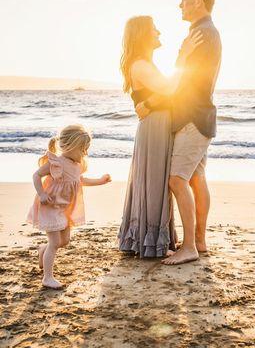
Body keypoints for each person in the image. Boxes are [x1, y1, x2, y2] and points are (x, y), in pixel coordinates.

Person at [136, 0, 222, 265]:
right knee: (196, 178)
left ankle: (190, 247)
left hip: (192, 117)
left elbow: (183, 80)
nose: (180, 3)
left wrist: (150, 102)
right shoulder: (204, 31)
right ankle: (198, 240)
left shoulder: (202, 34)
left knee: (177, 180)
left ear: (198, 0)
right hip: (199, 115)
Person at [118, 15, 202, 258]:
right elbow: (169, 88)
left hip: (158, 124)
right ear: (143, 34)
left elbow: (167, 92)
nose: (159, 33)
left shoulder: (145, 64)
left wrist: (151, 102)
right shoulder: (140, 65)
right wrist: (184, 57)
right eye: (154, 29)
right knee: (155, 180)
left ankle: (154, 238)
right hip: (154, 128)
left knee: (158, 180)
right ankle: (149, 240)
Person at [27, 124, 111, 289]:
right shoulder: (56, 162)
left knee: (64, 241)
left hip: (64, 209)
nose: (85, 153)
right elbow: (36, 175)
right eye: (82, 149)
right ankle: (47, 277)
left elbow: (80, 181)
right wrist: (42, 194)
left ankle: (42, 249)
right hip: (50, 206)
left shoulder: (78, 165)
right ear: (70, 146)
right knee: (55, 242)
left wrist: (100, 181)